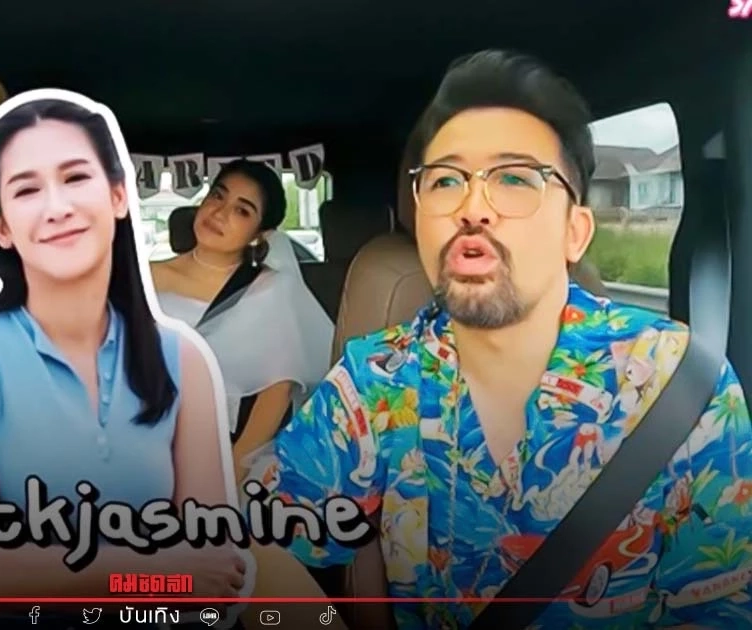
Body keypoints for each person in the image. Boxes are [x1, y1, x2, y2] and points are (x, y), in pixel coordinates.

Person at [248, 49, 752, 629]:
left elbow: (722, 603)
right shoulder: (376, 379)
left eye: (514, 178)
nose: (472, 208)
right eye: (445, 180)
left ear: (575, 232)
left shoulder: (679, 381)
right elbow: (259, 538)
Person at [0, 94, 249, 629]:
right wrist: (163, 572)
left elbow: (215, 575)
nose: (57, 206)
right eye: (26, 190)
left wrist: (14, 576)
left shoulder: (184, 359)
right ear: (0, 227)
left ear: (117, 195)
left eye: (75, 177)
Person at [151, 159, 333, 479]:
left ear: (259, 233)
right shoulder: (144, 277)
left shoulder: (270, 290)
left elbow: (276, 391)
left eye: (242, 210)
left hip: (222, 446)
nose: (220, 213)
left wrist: (229, 477)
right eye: (217, 196)